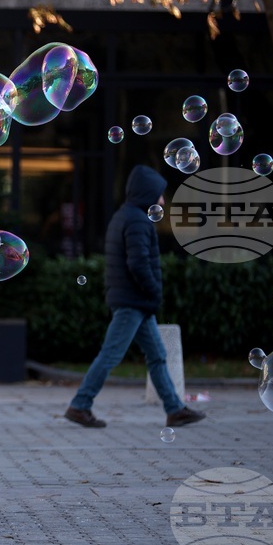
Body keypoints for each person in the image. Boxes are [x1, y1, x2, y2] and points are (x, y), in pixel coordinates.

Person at [64, 164, 205, 429]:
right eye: (159, 194)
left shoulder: (125, 215)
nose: (162, 200)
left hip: (135, 302)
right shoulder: (138, 220)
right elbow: (138, 263)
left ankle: (175, 409)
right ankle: (80, 405)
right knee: (110, 355)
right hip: (133, 301)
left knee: (158, 355)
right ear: (147, 193)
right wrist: (154, 291)